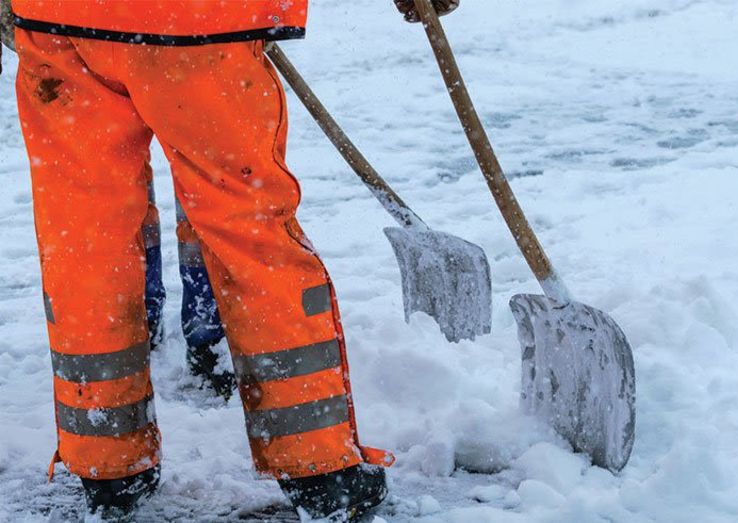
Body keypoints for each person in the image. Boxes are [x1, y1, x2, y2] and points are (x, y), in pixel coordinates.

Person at [0, 0, 461, 520]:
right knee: (248, 234)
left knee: (87, 241)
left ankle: (108, 464)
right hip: (196, 24)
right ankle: (316, 467)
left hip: (61, 24)